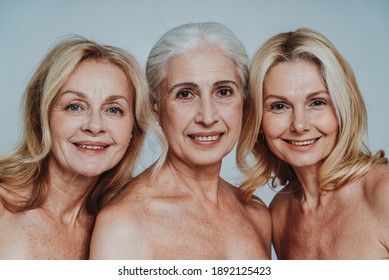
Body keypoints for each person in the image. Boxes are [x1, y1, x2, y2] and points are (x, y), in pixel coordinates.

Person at [90, 22, 271, 260]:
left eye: (224, 92)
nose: (207, 117)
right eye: (185, 94)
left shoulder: (256, 213)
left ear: (244, 103)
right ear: (156, 110)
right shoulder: (125, 223)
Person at [239, 28, 389, 259]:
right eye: (279, 106)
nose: (299, 125)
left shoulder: (382, 192)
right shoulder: (280, 214)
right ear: (258, 120)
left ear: (342, 109)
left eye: (317, 102)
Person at [0, 37, 150, 259]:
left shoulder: (123, 229)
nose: (95, 126)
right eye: (75, 106)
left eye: (113, 110)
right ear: (41, 116)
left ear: (133, 130)